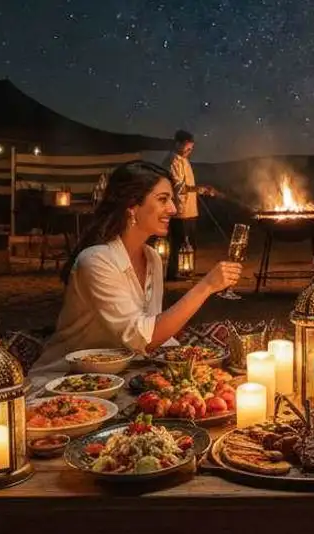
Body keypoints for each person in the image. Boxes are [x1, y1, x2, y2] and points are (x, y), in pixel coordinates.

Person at [29, 161, 241, 380]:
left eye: (171, 199)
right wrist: (206, 287)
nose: (173, 209)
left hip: (123, 375)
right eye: (162, 199)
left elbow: (152, 332)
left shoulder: (152, 258)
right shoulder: (96, 261)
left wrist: (193, 357)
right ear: (132, 206)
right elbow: (142, 338)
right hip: (66, 381)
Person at [163, 129, 218, 280]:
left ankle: (188, 270)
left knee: (191, 243)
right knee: (179, 243)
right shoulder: (173, 161)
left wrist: (200, 189)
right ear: (178, 144)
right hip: (179, 211)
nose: (189, 151)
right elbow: (178, 186)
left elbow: (187, 184)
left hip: (190, 210)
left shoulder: (184, 160)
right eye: (187, 147)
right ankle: (174, 273)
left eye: (191, 148)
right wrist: (199, 189)